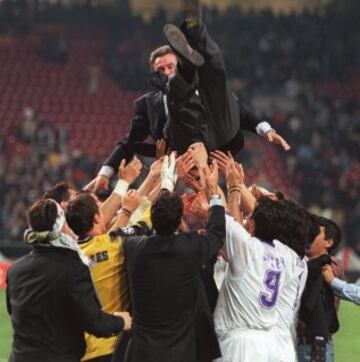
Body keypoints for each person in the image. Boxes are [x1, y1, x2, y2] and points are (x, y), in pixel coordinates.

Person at [93, 0, 290, 191]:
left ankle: (196, 30)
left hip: (219, 134)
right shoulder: (146, 104)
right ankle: (187, 66)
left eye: (170, 66)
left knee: (216, 74)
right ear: (154, 73)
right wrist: (105, 172)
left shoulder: (207, 91)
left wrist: (266, 129)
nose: (166, 71)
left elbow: (236, 111)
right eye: (160, 69)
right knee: (177, 96)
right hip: (185, 146)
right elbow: (129, 142)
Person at [123, 154, 225, 362]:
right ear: (180, 220)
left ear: (151, 218)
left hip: (141, 353)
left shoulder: (132, 247)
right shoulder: (191, 247)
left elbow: (127, 224)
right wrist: (214, 191)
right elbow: (216, 233)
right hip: (181, 352)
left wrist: (167, 182)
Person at [6, 199, 131, 362]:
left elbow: (13, 312)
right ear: (60, 227)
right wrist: (121, 321)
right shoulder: (73, 268)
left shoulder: (15, 270)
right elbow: (95, 323)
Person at [213, 197, 311, 362]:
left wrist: (219, 193)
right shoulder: (290, 257)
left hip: (241, 344)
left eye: (250, 216)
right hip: (273, 343)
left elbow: (221, 218)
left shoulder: (247, 248)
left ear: (252, 224)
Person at [65, 189, 146, 362]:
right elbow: (150, 220)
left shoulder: (68, 256)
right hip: (116, 345)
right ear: (96, 218)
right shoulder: (113, 242)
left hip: (82, 352)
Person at [297, 216, 344, 362]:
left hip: (316, 346)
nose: (309, 236)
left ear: (329, 242)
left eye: (315, 233)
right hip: (299, 343)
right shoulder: (304, 264)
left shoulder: (330, 265)